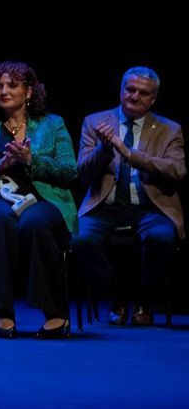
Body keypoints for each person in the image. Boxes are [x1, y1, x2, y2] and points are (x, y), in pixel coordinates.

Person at [0, 61, 76, 339]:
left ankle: (54, 311)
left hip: (41, 198)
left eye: (12, 85)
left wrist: (31, 160)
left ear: (29, 91)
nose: (4, 91)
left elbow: (70, 171)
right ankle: (1, 311)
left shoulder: (53, 124)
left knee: (36, 223)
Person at [73, 67, 184, 325]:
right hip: (105, 205)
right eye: (130, 89)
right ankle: (118, 294)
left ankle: (144, 300)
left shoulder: (169, 129)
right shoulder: (95, 121)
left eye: (142, 93)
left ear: (153, 99)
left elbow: (176, 171)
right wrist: (104, 148)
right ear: (121, 90)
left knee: (161, 239)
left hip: (150, 206)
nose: (134, 96)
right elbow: (82, 173)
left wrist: (130, 153)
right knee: (77, 241)